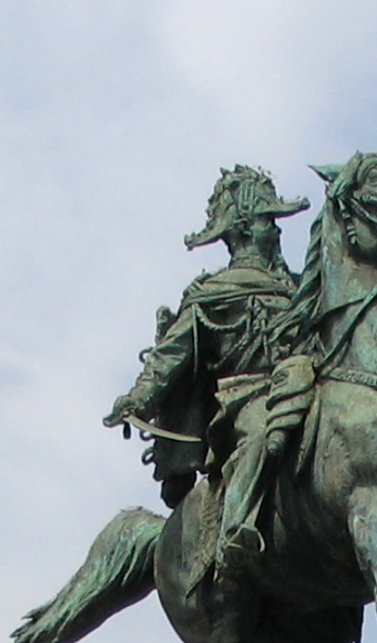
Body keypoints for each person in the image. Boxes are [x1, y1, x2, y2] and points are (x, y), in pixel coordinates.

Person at [105, 166, 313, 566]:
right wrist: (138, 398)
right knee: (260, 432)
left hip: (301, 389)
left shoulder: (300, 288)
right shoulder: (214, 294)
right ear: (245, 229)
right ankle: (236, 530)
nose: (277, 231)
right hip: (246, 399)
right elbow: (171, 354)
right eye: (269, 221)